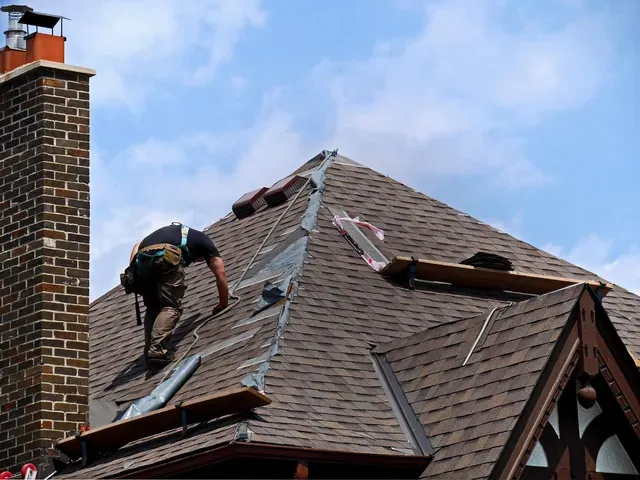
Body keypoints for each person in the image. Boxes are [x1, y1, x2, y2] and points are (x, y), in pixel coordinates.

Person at [128, 222, 229, 365]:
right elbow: (221, 273)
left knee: (153, 306)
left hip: (142, 261)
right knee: (171, 306)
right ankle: (157, 350)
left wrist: (133, 270)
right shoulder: (205, 241)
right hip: (163, 256)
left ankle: (149, 352)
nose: (195, 261)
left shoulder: (174, 233)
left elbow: (137, 245)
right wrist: (223, 303)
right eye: (197, 259)